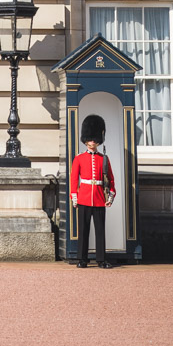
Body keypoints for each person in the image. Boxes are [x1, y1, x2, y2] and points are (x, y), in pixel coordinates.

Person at [70, 113, 116, 269]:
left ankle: (101, 259)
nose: (92, 142)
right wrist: (74, 197)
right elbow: (74, 179)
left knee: (100, 231)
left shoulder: (104, 159)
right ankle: (82, 259)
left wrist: (109, 196)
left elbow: (110, 178)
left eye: (95, 139)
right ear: (85, 140)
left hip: (98, 198)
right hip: (83, 197)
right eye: (90, 139)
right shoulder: (79, 158)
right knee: (83, 231)